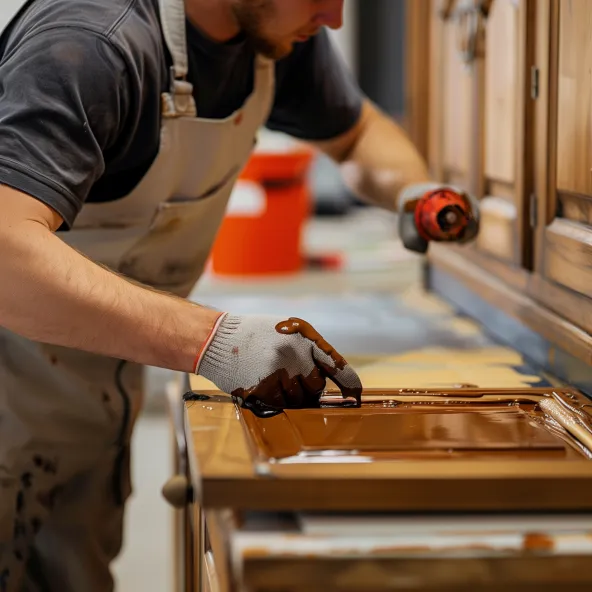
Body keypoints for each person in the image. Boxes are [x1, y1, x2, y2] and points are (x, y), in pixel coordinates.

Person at [0, 0, 474, 590]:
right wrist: (215, 340)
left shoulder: (275, 33)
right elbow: (6, 254)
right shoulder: (91, 44)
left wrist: (412, 190)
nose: (333, 19)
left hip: (95, 390)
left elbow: (356, 136)